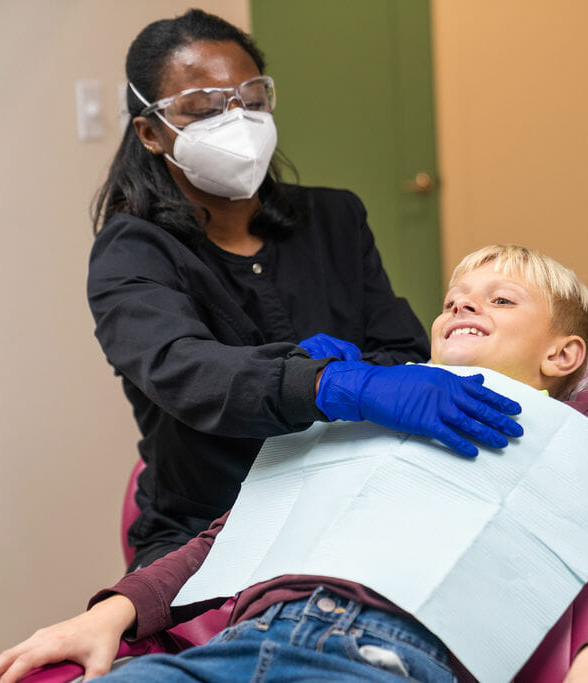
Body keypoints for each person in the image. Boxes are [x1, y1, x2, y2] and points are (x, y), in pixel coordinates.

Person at [0, 245, 588, 683]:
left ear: (563, 354)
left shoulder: (580, 446)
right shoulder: (373, 408)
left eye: (499, 298)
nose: (464, 305)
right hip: (234, 650)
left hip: (378, 659)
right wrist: (109, 612)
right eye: (454, 298)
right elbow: (221, 542)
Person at [88, 9, 522, 571]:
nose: (236, 119)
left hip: (357, 505)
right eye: (204, 108)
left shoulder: (335, 218)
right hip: (212, 529)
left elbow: (402, 350)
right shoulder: (132, 252)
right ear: (150, 132)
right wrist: (325, 383)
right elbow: (190, 376)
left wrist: (363, 379)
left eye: (252, 98)